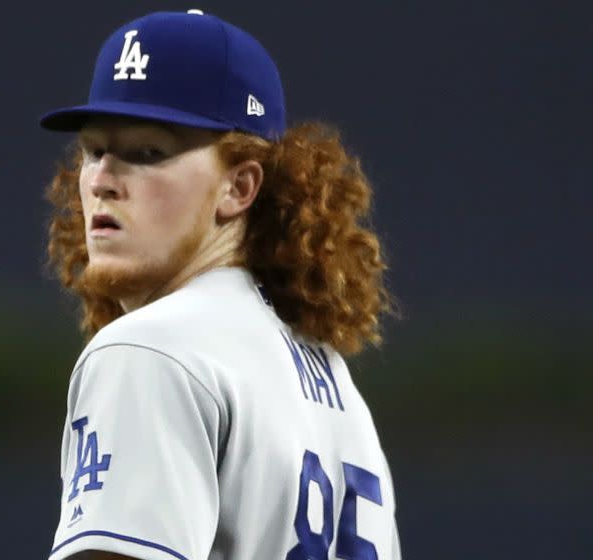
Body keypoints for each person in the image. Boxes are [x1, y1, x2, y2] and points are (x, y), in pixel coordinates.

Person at [39, 9, 400, 560]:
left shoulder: (150, 350)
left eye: (146, 152)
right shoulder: (335, 385)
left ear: (238, 187)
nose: (102, 180)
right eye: (94, 150)